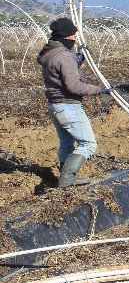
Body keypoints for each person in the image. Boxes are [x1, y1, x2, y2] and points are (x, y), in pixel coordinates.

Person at [37, 18, 112, 187]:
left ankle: (66, 177)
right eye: (73, 36)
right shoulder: (65, 56)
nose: (75, 39)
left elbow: (61, 71)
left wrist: (78, 60)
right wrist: (100, 90)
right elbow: (74, 86)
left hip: (54, 105)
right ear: (66, 37)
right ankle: (68, 177)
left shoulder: (51, 54)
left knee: (67, 143)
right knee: (88, 144)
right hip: (68, 106)